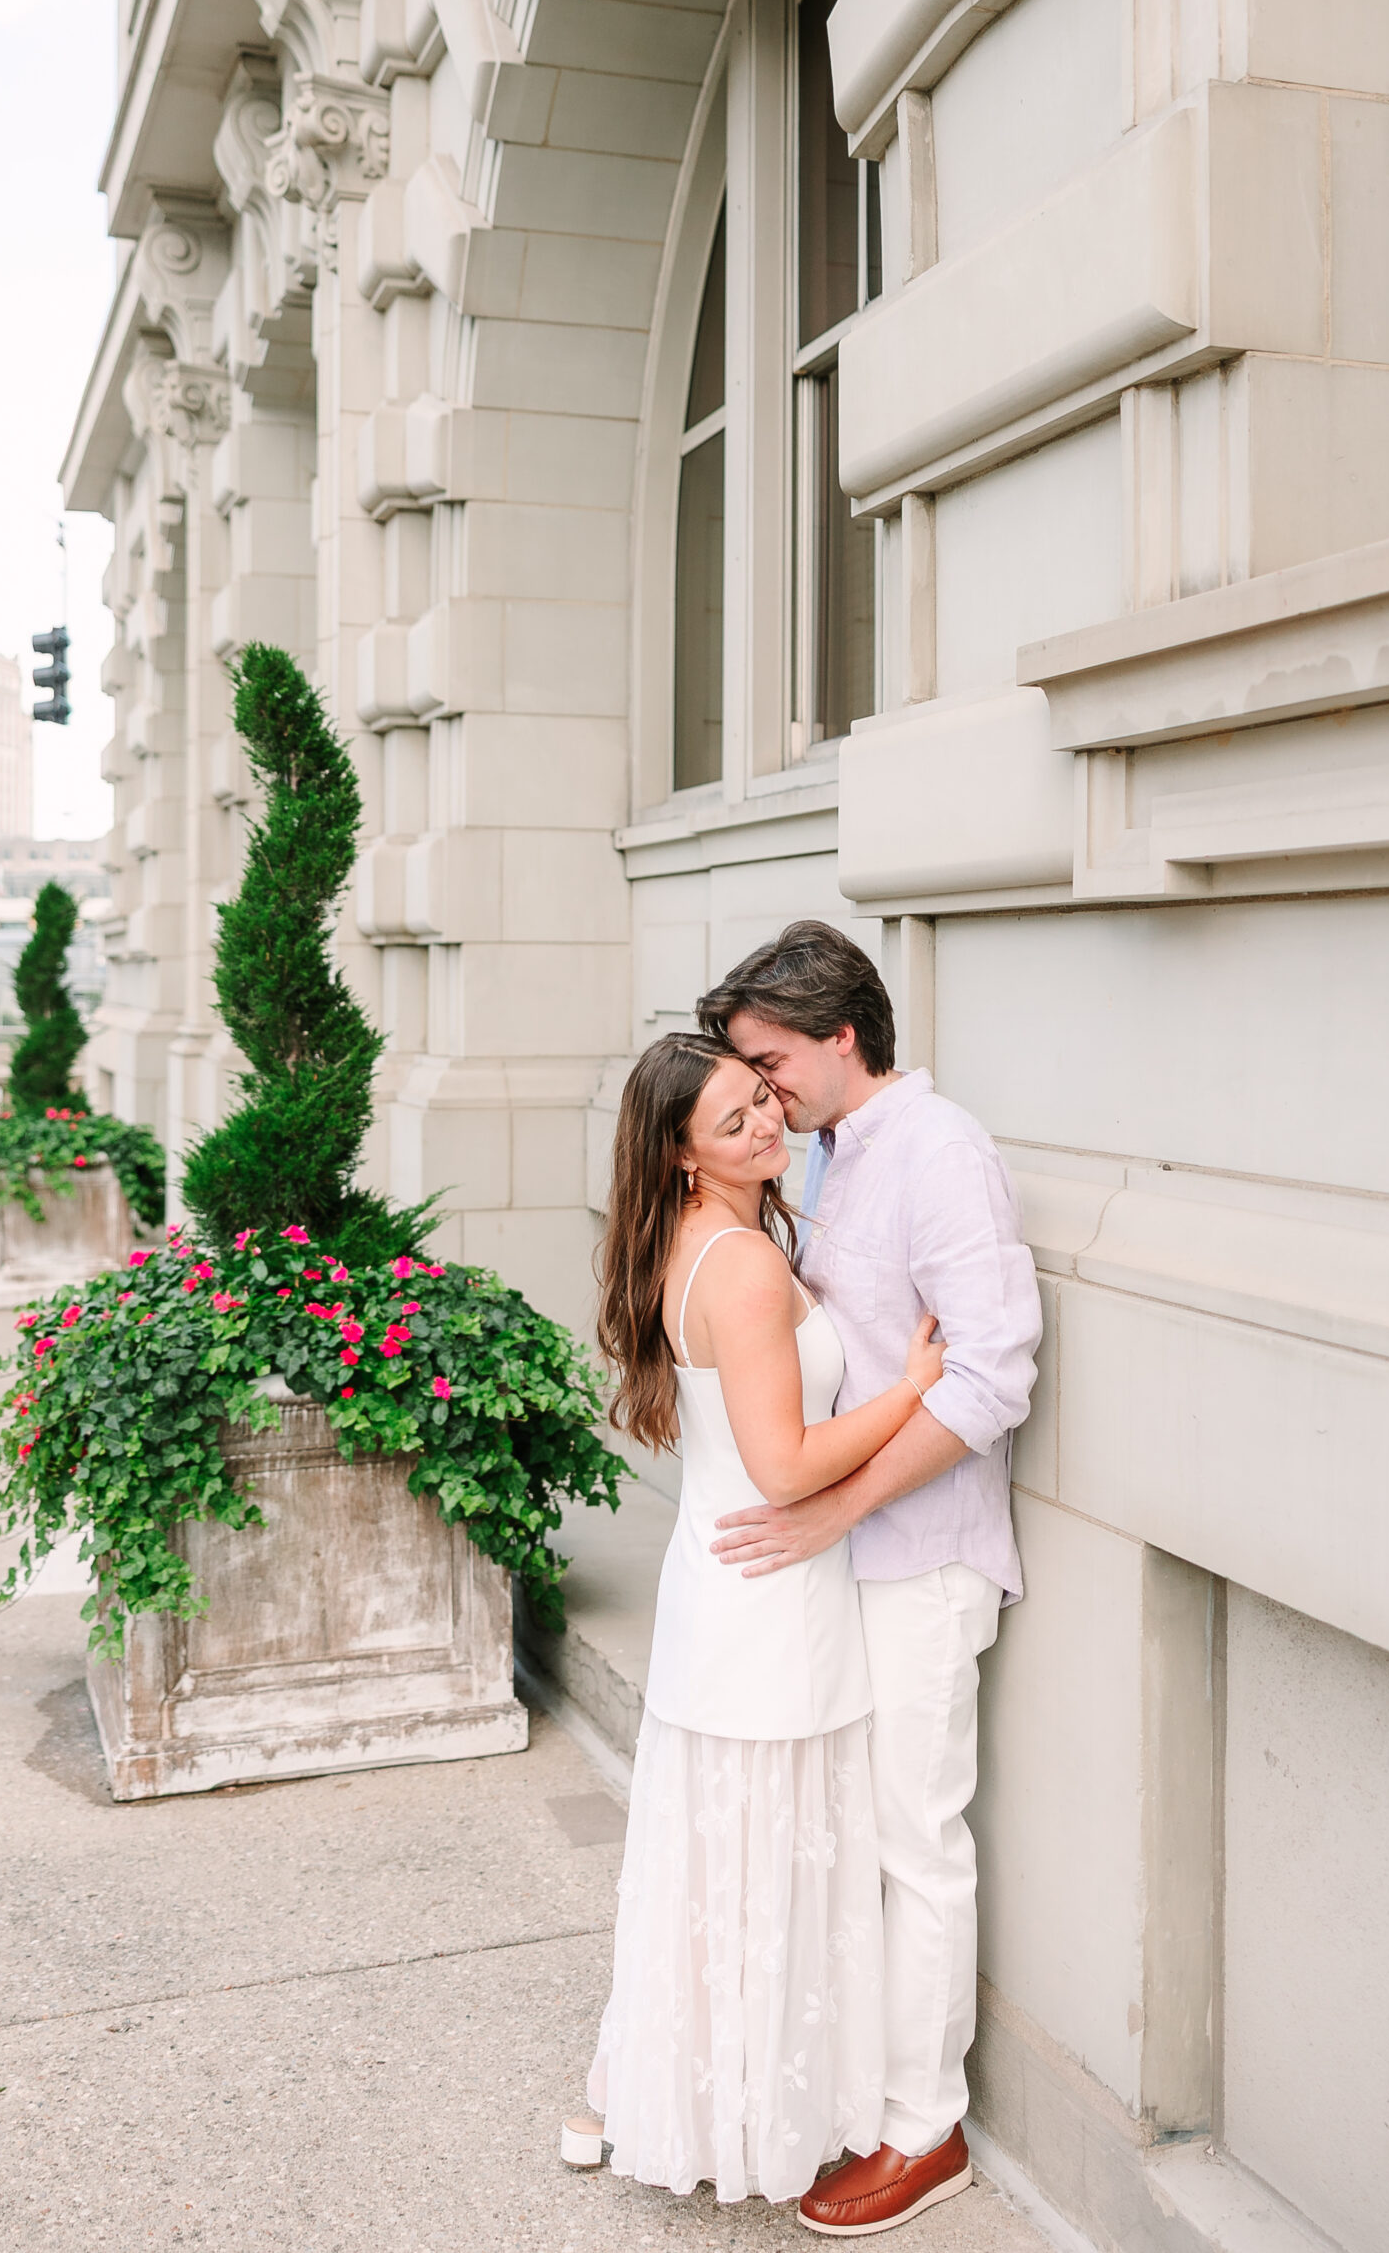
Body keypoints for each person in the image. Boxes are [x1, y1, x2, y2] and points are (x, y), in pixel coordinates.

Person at [564, 1030, 956, 2210]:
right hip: (768, 1602)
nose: (763, 1126)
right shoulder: (735, 1262)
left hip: (727, 1589)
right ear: (681, 1157)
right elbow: (782, 1466)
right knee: (759, 1875)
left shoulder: (703, 1237)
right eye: (729, 1123)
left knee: (720, 1873)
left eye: (760, 1099)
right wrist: (911, 1390)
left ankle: (674, 2094)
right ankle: (744, 2119)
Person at [697, 921, 1041, 2239]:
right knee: (854, 1844)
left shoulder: (939, 1151)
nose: (763, 1091)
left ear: (843, 1036)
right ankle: (858, 2090)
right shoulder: (833, 1147)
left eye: (772, 1063)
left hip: (920, 1562)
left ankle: (924, 2128)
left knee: (915, 1843)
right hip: (844, 1558)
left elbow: (991, 1376)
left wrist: (831, 1507)